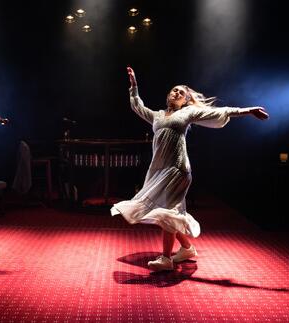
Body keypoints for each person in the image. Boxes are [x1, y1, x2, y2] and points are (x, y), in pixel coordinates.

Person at [111, 67, 269, 272]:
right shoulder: (157, 116)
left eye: (181, 93)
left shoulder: (188, 112)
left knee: (168, 212)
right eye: (174, 90)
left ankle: (166, 259)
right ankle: (186, 249)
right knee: (169, 213)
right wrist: (133, 86)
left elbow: (219, 111)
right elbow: (137, 106)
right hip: (158, 170)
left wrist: (248, 110)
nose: (176, 93)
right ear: (168, 95)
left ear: (185, 100)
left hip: (178, 169)